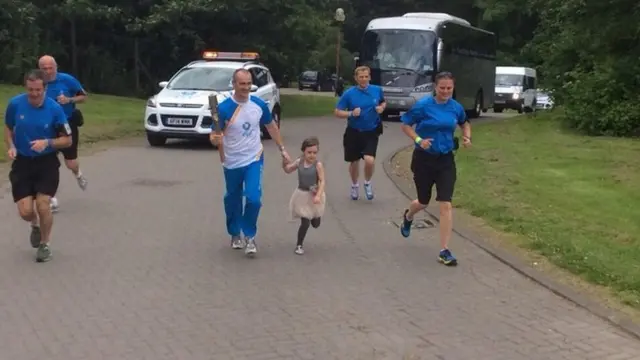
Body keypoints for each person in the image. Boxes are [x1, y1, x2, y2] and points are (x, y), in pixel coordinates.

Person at [210, 68, 290, 257]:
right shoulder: (223, 108)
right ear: (234, 84)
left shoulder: (259, 105)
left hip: (254, 157)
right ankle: (234, 232)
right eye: (242, 84)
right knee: (232, 198)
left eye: (248, 84)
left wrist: (282, 150)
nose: (246, 88)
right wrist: (215, 140)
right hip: (231, 160)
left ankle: (250, 235)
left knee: (254, 198)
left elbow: (271, 127)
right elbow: (214, 134)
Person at [398, 72, 472, 266]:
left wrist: (467, 137)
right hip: (424, 159)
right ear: (435, 87)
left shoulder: (456, 107)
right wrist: (418, 140)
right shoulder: (423, 106)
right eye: (442, 88)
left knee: (445, 203)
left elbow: (465, 123)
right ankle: (408, 216)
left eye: (449, 88)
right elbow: (405, 125)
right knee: (423, 201)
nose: (446, 91)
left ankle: (444, 250)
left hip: (446, 160)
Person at [4, 69, 73, 262]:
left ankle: (45, 244)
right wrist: (11, 146)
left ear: (45, 88)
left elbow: (67, 140)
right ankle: (33, 224)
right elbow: (8, 128)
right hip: (23, 163)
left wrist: (48, 143)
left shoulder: (54, 109)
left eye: (38, 90)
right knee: (26, 212)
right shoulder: (15, 104)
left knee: (43, 205)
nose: (34, 94)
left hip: (46, 163)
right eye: (30, 89)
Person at [38, 55, 88, 212]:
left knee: (70, 162)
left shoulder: (67, 80)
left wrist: (69, 100)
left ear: (56, 67)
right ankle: (51, 198)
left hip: (66, 125)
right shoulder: (38, 82)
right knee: (47, 163)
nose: (47, 71)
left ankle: (78, 174)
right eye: (44, 68)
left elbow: (83, 96)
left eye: (50, 67)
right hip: (46, 127)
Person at [334, 66, 386, 201]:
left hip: (371, 131)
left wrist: (381, 108)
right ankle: (354, 185)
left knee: (369, 160)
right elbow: (337, 112)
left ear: (369, 77)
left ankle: (367, 183)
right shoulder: (349, 93)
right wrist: (351, 113)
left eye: (366, 76)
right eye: (360, 77)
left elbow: (383, 102)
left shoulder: (377, 90)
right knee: (354, 161)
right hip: (354, 131)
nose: (363, 79)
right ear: (356, 78)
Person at [282, 136, 326, 255]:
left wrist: (318, 195)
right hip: (302, 195)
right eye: (309, 152)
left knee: (315, 223)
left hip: (314, 195)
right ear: (304, 151)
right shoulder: (299, 162)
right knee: (305, 221)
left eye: (314, 153)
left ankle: (316, 218)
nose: (312, 155)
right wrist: (284, 162)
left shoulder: (318, 165)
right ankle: (299, 245)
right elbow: (288, 169)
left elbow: (322, 181)